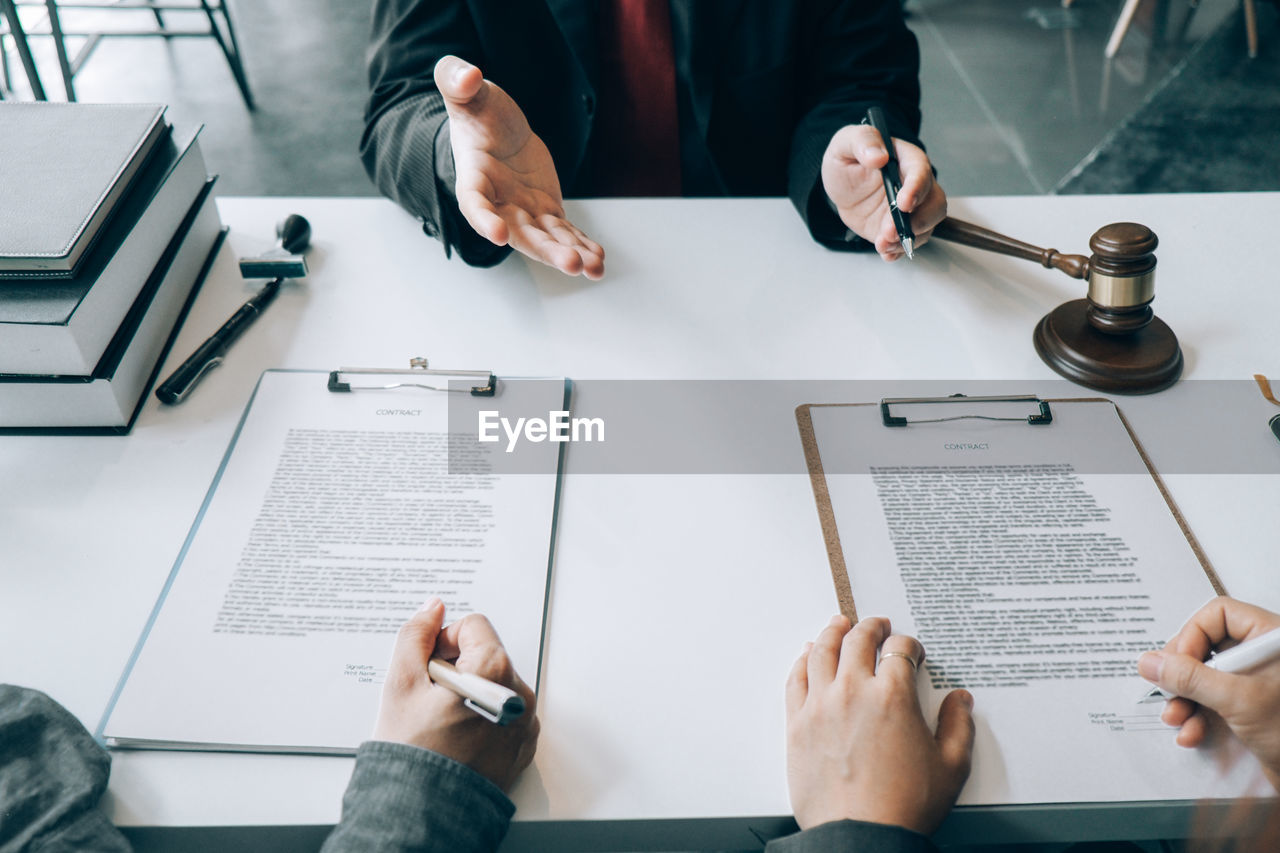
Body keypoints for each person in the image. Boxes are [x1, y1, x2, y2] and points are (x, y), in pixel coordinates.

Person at [361, 0, 950, 279]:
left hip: (768, 269)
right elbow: (399, 102)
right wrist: (452, 152)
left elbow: (862, 75)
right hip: (540, 274)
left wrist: (851, 157)